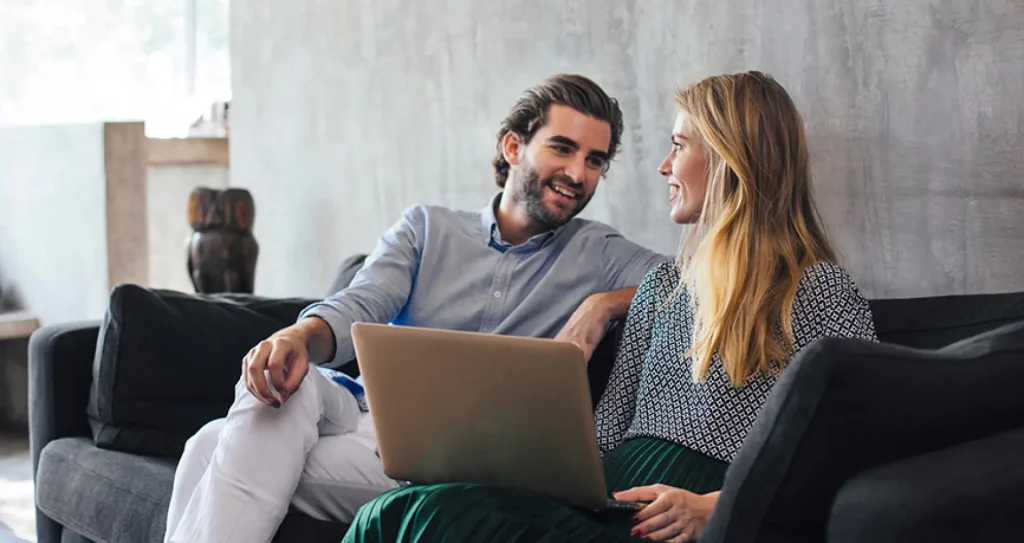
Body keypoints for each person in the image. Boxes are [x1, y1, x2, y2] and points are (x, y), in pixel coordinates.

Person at [341, 71, 880, 543]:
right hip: (608, 498)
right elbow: (602, 438)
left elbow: (847, 453)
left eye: (679, 145)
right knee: (393, 512)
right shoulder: (662, 287)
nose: (665, 165)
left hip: (688, 511)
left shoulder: (821, 291)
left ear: (728, 157)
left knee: (423, 521)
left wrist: (714, 506)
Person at [162, 74, 670, 543]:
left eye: (595, 160)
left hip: (459, 459)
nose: (578, 173)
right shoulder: (427, 229)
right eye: (563, 148)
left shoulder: (600, 253)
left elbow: (705, 282)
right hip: (362, 416)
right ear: (513, 146)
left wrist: (606, 303)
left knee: (210, 446)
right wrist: (297, 337)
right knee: (279, 386)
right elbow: (360, 303)